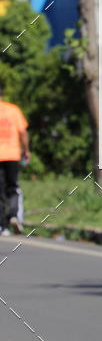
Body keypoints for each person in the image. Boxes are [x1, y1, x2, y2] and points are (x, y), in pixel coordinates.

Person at [0, 84, 29, 236]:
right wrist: (26, 150)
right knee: (12, 187)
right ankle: (12, 215)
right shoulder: (13, 110)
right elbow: (23, 132)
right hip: (12, 155)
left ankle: (2, 226)